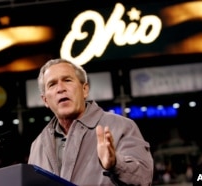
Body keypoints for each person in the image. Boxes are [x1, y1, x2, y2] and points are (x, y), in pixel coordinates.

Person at [28, 58, 153, 186]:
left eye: (67, 80)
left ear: (85, 90)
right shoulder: (38, 145)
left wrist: (115, 164)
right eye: (52, 84)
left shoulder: (122, 126)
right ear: (45, 101)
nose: (60, 88)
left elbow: (144, 178)